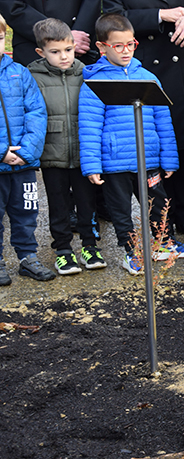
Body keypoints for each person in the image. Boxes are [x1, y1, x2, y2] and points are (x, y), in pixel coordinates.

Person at [80, 13, 184, 275]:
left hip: (149, 159)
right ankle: (131, 251)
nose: (126, 51)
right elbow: (89, 127)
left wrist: (169, 159)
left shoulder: (148, 78)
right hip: (115, 163)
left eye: (130, 44)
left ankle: (162, 243)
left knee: (159, 203)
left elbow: (163, 121)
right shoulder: (95, 83)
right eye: (118, 45)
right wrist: (92, 165)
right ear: (101, 47)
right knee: (120, 210)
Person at [102, 0, 184, 238]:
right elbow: (113, 15)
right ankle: (165, 218)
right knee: (161, 144)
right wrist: (160, 15)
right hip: (147, 63)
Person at [28, 18, 106, 275]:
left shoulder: (86, 73)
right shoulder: (32, 77)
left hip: (83, 154)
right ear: (41, 52)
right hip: (52, 154)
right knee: (59, 205)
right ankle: (62, 249)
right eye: (55, 51)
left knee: (87, 203)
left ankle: (89, 246)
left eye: (68, 50)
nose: (64, 57)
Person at [0, 13, 54, 285]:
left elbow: (37, 112)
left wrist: (26, 151)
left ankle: (27, 257)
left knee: (26, 213)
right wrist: (2, 152)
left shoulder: (19, 73)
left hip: (23, 163)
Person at [0, 0, 101, 66]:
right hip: (32, 46)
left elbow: (91, 4)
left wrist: (76, 36)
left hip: (81, 44)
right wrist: (60, 35)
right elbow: (12, 7)